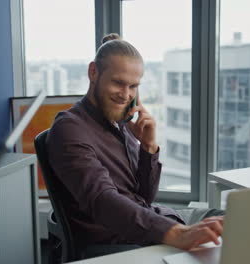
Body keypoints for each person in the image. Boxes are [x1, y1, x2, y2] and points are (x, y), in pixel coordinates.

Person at [46, 33, 224, 258]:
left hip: (151, 218)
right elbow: (102, 200)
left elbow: (145, 197)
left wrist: (148, 147)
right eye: (118, 83)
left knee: (233, 218)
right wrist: (176, 233)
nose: (126, 95)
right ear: (93, 72)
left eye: (133, 86)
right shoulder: (70, 129)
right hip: (120, 241)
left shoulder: (121, 123)